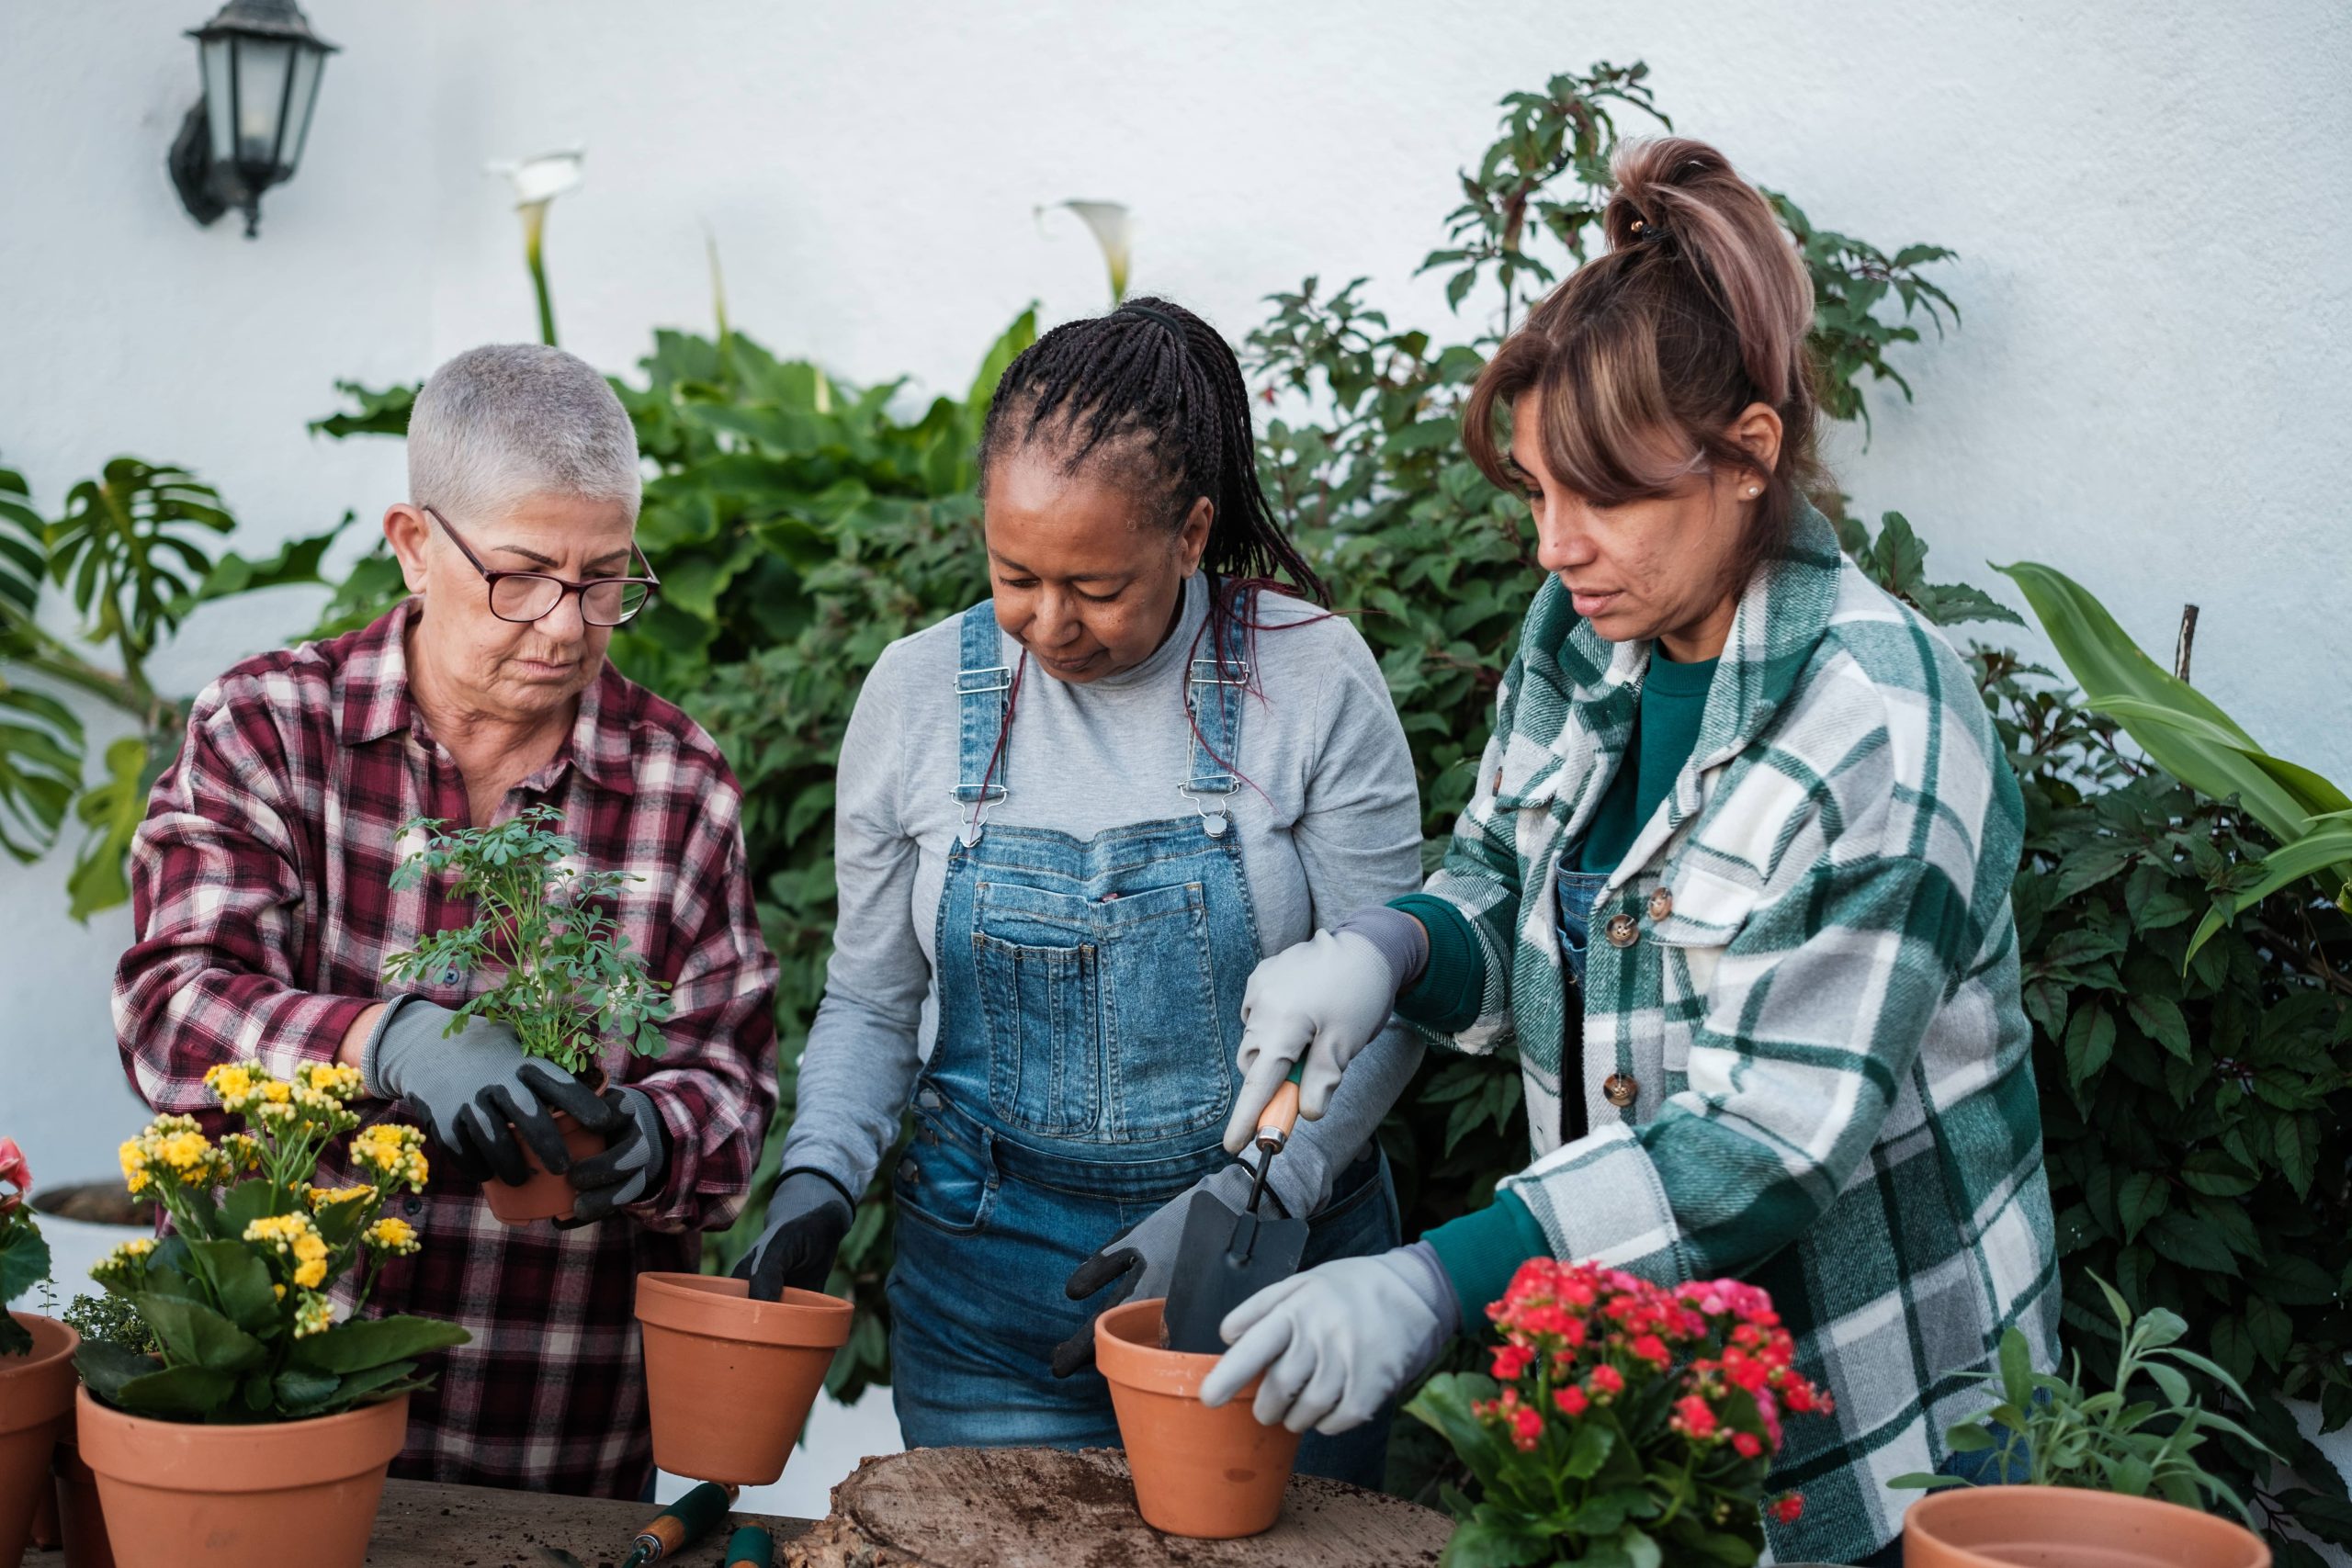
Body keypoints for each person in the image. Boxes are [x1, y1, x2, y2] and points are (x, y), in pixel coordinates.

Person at [1197, 140, 2059, 1565]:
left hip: (1878, 1434)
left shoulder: (1884, 724)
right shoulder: (1590, 635)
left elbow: (1769, 1140)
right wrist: (1389, 950)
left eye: (1604, 498)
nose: (1555, 546)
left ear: (1751, 457)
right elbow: (1500, 874)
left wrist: (1437, 1281)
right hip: (1639, 1413)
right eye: (1536, 492)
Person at [733, 299, 1424, 1485]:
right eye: (1015, 576)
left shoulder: (1310, 676)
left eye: (1097, 586)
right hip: (991, 1299)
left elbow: (1395, 995)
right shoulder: (914, 694)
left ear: (1193, 531)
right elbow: (872, 1000)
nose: (1050, 624)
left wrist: (1243, 1206)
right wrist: (818, 1175)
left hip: (1274, 1284)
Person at [113, 344, 779, 1497]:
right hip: (271, 1415)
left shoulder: (676, 781)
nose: (567, 625)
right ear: (416, 545)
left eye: (606, 578)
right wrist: (389, 1040)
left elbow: (731, 1082)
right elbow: (172, 1011)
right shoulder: (270, 730)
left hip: (551, 1434)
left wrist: (653, 1141)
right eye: (521, 576)